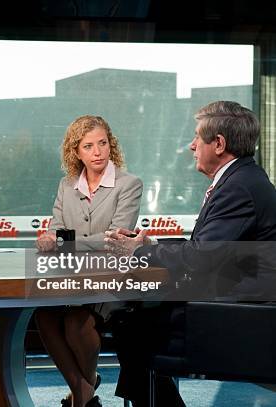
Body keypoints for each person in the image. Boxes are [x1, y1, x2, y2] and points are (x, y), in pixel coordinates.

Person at [105, 101, 276, 406]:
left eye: (198, 137)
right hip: (239, 303)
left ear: (219, 144)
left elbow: (200, 260)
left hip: (241, 316)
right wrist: (153, 246)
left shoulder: (237, 188)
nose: (191, 145)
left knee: (130, 323)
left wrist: (141, 252)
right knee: (133, 316)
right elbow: (207, 248)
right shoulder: (244, 179)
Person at [34, 115, 143, 407]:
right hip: (72, 276)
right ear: (76, 152)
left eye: (103, 143)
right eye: (88, 146)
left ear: (111, 145)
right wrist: (49, 237)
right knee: (44, 317)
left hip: (112, 279)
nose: (98, 152)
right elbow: (57, 227)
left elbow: (115, 240)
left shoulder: (129, 184)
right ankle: (85, 388)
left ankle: (81, 394)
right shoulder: (67, 185)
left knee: (75, 321)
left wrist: (64, 242)